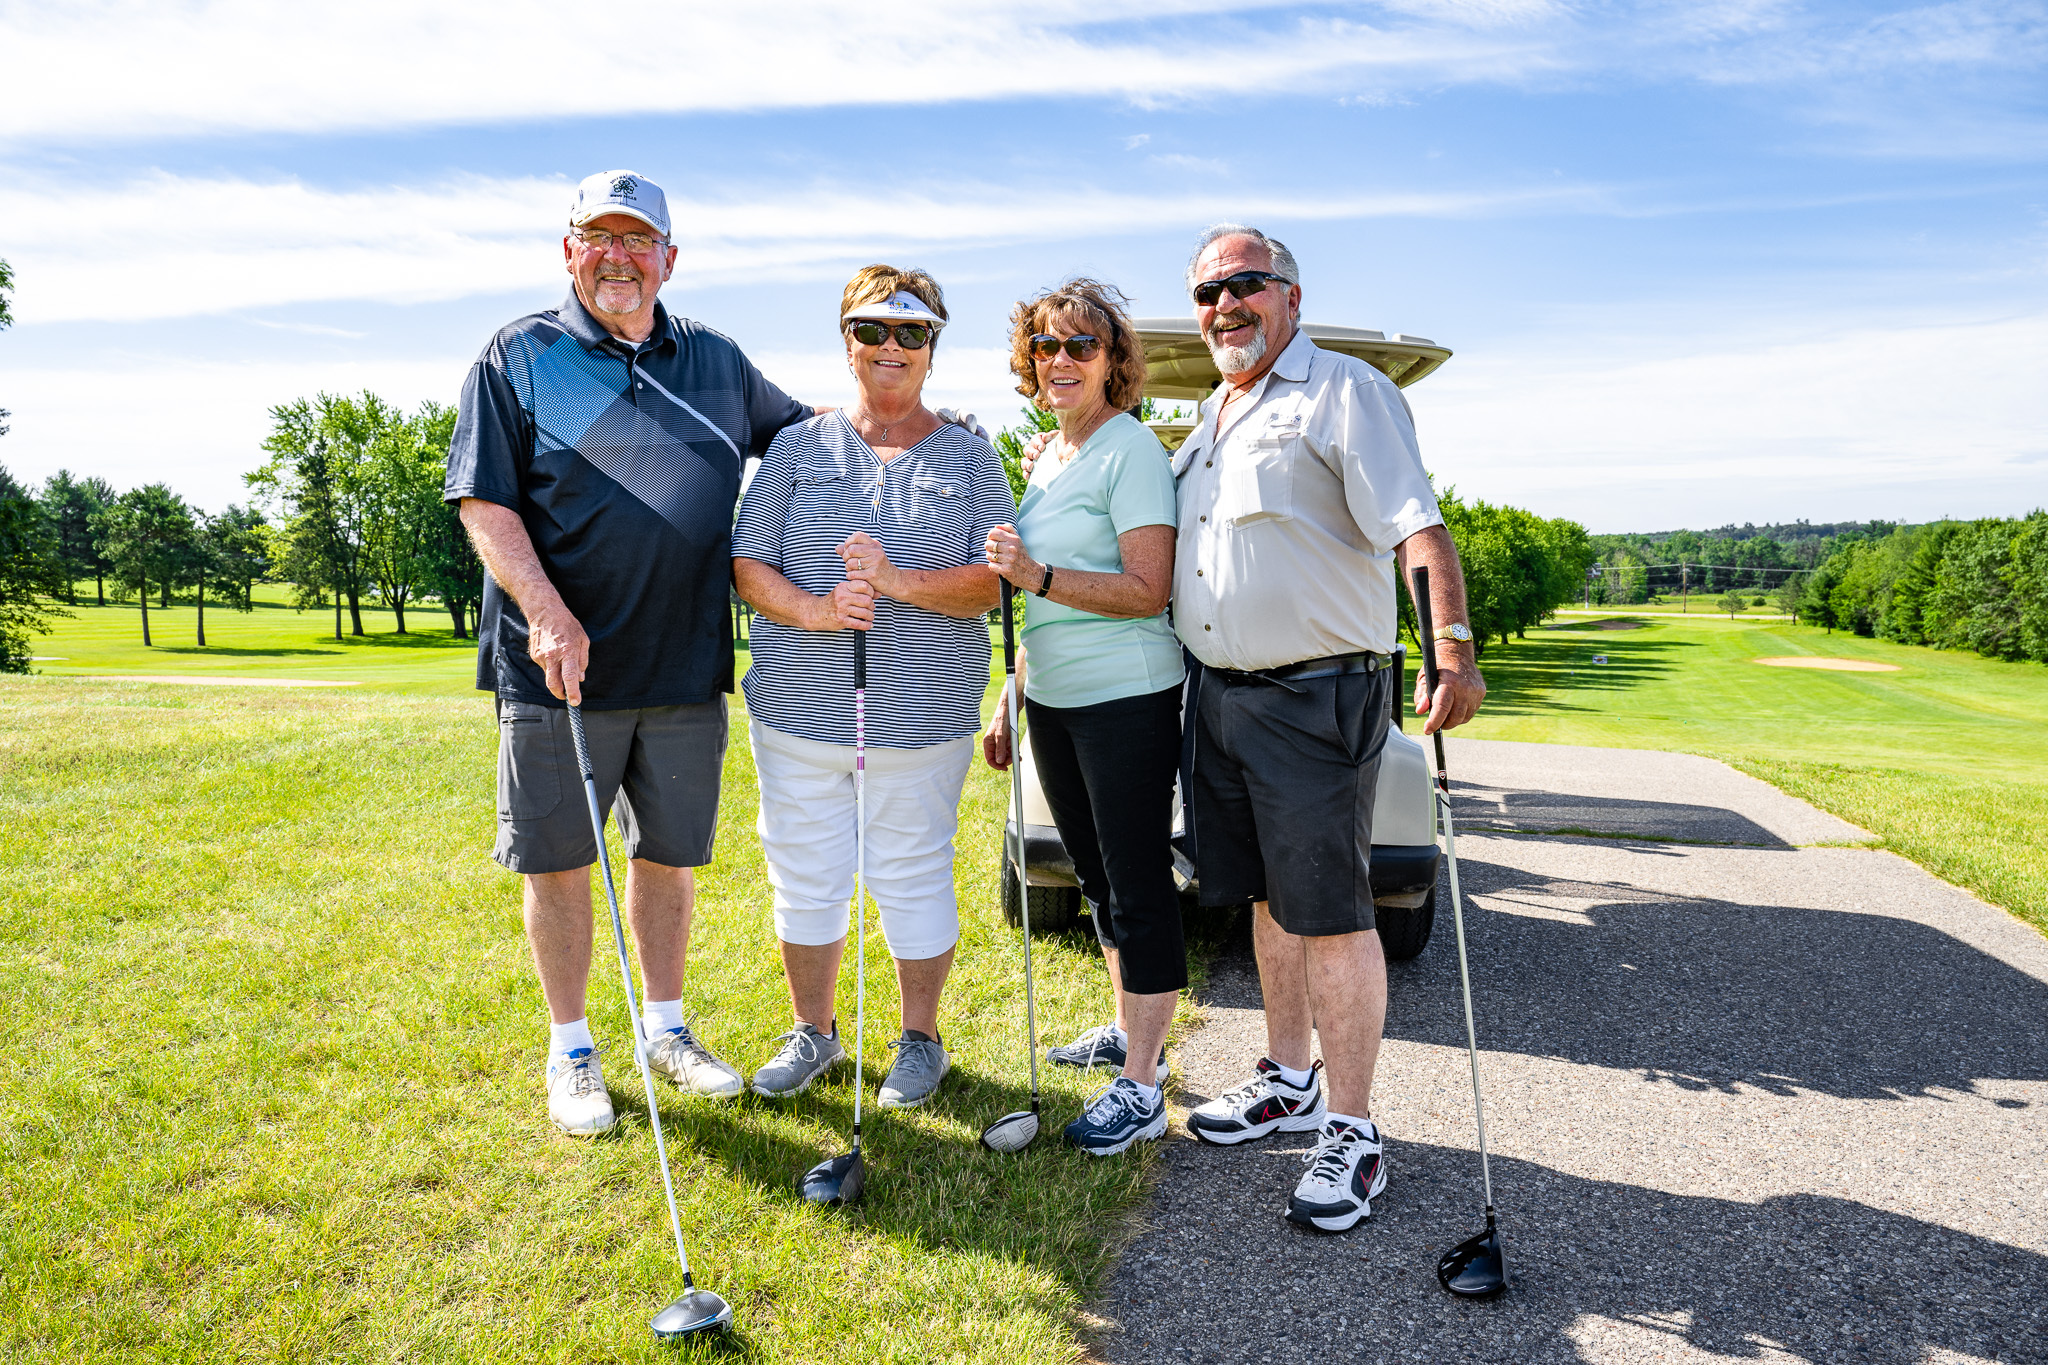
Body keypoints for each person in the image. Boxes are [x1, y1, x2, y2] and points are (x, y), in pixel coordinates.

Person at [446, 169, 822, 1137]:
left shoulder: (717, 362)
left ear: (669, 257)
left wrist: (918, 429)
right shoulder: (518, 356)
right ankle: (571, 1048)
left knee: (667, 858)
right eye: (599, 237)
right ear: (569, 250)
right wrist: (546, 612)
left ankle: (666, 1030)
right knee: (559, 863)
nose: (618, 257)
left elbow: (808, 440)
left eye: (637, 239)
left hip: (683, 662)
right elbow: (484, 502)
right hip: (558, 669)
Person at [1166, 223, 1487, 1232]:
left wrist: (1450, 644)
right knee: (1268, 900)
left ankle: (1351, 1129)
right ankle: (1288, 1078)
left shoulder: (1344, 391)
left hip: (1316, 696)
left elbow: (1415, 525)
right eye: (1209, 292)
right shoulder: (1209, 417)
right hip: (1218, 696)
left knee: (1334, 915)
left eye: (1246, 284)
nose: (1226, 305)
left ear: (1290, 297)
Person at [732, 265, 1016, 1111]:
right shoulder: (795, 449)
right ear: (846, 340)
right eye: (872, 329)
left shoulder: (972, 457)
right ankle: (813, 1032)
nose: (891, 346)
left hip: (921, 719)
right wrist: (816, 611)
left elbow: (994, 581)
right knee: (804, 873)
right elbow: (748, 561)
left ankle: (919, 1040)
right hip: (796, 712)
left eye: (911, 332)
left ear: (933, 345)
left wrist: (897, 582)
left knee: (914, 874)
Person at [981, 279, 1185, 1156]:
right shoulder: (1048, 455)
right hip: (1058, 701)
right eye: (1045, 346)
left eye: (1080, 345)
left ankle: (1143, 1083)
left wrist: (1036, 575)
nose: (1059, 359)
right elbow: (1040, 607)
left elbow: (1148, 588)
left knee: (1136, 884)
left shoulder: (1128, 449)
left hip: (1126, 698)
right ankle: (1127, 1026)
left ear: (1113, 361)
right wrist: (1013, 694)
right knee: (1097, 878)